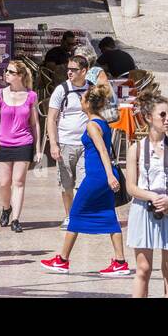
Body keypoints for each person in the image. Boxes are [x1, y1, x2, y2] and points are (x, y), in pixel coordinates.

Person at [40, 85, 130, 277]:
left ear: (88, 104)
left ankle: (62, 260)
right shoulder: (102, 121)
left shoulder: (91, 125)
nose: (80, 102)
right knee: (109, 215)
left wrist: (109, 175)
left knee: (75, 213)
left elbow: (103, 151)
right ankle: (120, 261)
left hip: (97, 176)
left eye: (82, 100)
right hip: (103, 175)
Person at [126, 95, 168, 298]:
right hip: (144, 208)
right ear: (148, 117)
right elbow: (131, 187)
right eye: (162, 114)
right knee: (143, 268)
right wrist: (152, 196)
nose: (167, 118)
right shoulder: (136, 148)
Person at [0, 58, 42, 234]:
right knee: (4, 183)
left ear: (20, 75)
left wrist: (38, 149)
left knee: (19, 182)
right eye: (6, 71)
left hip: (24, 142)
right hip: (4, 142)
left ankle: (16, 219)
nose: (6, 74)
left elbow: (35, 123)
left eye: (10, 72)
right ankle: (6, 207)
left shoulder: (31, 96)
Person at [47, 54, 90, 228]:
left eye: (74, 69)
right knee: (66, 184)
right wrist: (53, 144)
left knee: (83, 183)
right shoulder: (61, 90)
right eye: (69, 69)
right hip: (65, 143)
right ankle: (69, 215)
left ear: (84, 71)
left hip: (86, 144)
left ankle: (79, 215)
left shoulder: (92, 89)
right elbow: (51, 118)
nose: (70, 72)